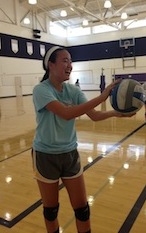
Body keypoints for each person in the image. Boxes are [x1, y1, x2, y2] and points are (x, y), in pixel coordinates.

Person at [32, 46, 134, 233]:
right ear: (51, 65)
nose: (70, 65)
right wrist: (102, 97)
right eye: (65, 60)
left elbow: (93, 115)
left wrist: (116, 113)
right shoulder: (40, 90)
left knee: (82, 209)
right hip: (45, 155)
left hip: (70, 154)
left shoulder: (73, 90)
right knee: (51, 210)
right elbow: (66, 113)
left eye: (71, 61)